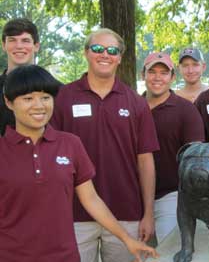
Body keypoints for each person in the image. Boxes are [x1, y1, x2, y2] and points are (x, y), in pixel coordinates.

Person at [0, 65, 158, 262]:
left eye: (45, 97)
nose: (39, 105)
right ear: (8, 102)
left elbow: (92, 200)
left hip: (64, 256)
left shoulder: (70, 144)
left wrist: (127, 239)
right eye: (28, 98)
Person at [50, 28, 159, 262]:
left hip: (126, 213)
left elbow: (145, 161)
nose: (105, 55)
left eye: (112, 51)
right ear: (86, 53)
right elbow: (51, 156)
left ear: (120, 57)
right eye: (98, 49)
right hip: (73, 215)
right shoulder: (63, 98)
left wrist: (148, 213)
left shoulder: (136, 103)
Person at [142, 52, 205, 244]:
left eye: (164, 72)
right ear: (142, 75)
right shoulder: (132, 107)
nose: (157, 77)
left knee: (169, 250)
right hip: (133, 196)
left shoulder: (186, 110)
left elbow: (195, 159)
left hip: (171, 195)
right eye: (152, 72)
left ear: (172, 77)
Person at [0, 18, 40, 136]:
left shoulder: (57, 90)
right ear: (4, 45)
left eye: (25, 40)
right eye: (12, 40)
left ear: (36, 46)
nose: (19, 46)